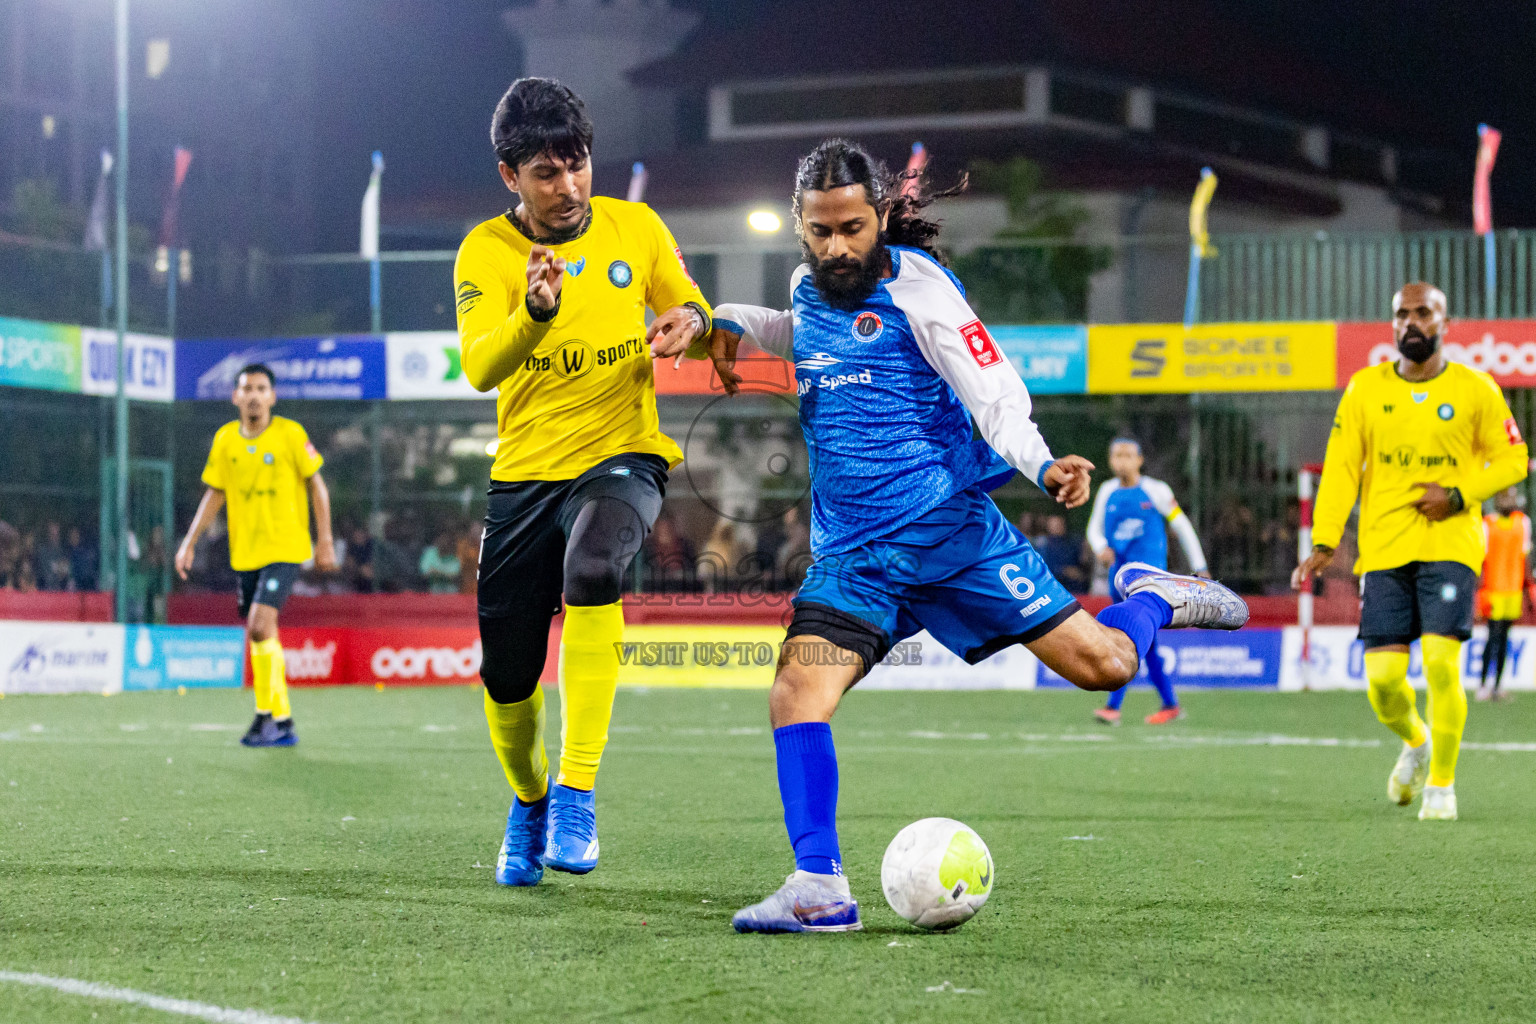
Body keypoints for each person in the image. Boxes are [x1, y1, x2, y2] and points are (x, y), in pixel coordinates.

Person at [707, 138, 1248, 933]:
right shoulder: (809, 285)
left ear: (883, 215)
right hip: (855, 558)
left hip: (951, 533)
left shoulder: (922, 291)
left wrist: (1042, 463)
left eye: (852, 228)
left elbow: (993, 394)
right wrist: (728, 321)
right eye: (819, 232)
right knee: (796, 689)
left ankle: (1157, 600)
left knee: (1107, 666)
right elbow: (805, 332)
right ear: (799, 224)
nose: (836, 247)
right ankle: (818, 885)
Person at [455, 77, 713, 886]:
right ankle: (529, 800)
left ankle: (576, 790)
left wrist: (692, 322)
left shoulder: (635, 227)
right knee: (506, 674)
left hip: (623, 454)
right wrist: (531, 315)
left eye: (577, 166)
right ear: (510, 177)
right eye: (546, 173)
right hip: (526, 475)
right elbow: (476, 367)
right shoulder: (485, 252)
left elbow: (689, 304)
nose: (568, 187)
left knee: (596, 569)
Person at [1295, 283, 1528, 822]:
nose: (1412, 322)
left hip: (1451, 545)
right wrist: (1325, 541)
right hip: (1383, 551)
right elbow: (1341, 470)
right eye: (1403, 314)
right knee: (1382, 684)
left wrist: (1458, 495)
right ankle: (1416, 740)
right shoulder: (1364, 390)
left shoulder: (1477, 389)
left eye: (1424, 313)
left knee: (1443, 666)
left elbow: (1514, 460)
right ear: (1392, 324)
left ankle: (1442, 786)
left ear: (1446, 322)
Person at [175, 364, 337, 748]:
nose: (253, 395)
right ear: (235, 397)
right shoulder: (225, 440)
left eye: (261, 388)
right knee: (263, 632)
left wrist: (325, 539)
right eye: (246, 388)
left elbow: (318, 487)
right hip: (245, 554)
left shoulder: (290, 434)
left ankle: (266, 716)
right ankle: (281, 721)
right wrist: (189, 542)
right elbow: (214, 494)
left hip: (286, 548)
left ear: (272, 397)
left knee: (260, 625)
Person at [1085, 438, 1210, 725]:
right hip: (1120, 581)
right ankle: (1170, 704)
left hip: (1151, 585)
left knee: (1125, 636)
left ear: (1140, 460)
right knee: (1144, 644)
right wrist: (1100, 546)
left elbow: (1182, 526)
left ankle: (1113, 707)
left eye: (1128, 455)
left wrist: (1199, 566)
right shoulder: (1106, 492)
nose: (1122, 461)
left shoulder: (1156, 490)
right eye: (1117, 455)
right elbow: (1094, 529)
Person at [1477, 486, 1530, 701]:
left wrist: (1527, 589)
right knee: (1493, 637)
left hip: (1513, 590)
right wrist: (1480, 590)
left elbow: (1524, 556)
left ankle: (1497, 686)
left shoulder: (1522, 523)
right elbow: (1482, 558)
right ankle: (1482, 685)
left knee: (1504, 638)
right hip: (1493, 589)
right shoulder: (1488, 524)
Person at [420, 529, 462, 594]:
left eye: (446, 540)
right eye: (442, 539)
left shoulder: (455, 556)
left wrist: (436, 572)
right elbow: (425, 572)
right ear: (437, 540)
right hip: (432, 593)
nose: (444, 543)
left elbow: (454, 575)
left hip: (451, 594)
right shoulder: (430, 553)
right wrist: (445, 573)